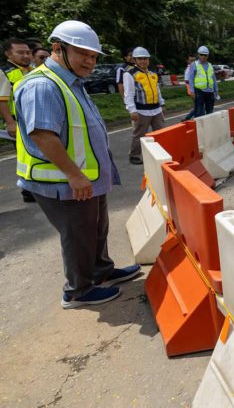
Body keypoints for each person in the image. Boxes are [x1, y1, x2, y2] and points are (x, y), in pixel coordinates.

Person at [14, 20, 140, 308]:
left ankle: (101, 272)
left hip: (86, 178)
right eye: (83, 53)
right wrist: (75, 176)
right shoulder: (42, 85)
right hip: (64, 182)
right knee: (78, 235)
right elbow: (43, 135)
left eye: (94, 56)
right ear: (58, 48)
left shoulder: (72, 82)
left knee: (96, 228)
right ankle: (77, 291)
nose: (90, 61)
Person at [1, 38, 36, 202]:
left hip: (35, 118)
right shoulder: (5, 72)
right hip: (19, 122)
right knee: (26, 156)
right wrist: (10, 122)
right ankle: (28, 191)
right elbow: (2, 100)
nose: (26, 56)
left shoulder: (32, 69)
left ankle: (36, 187)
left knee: (37, 154)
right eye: (20, 53)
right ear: (8, 54)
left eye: (28, 52)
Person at [123, 47, 166, 165]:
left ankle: (162, 153)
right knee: (139, 134)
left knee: (161, 132)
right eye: (140, 59)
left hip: (156, 109)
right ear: (134, 60)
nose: (143, 61)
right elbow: (129, 93)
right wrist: (132, 110)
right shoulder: (130, 73)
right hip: (141, 111)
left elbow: (157, 90)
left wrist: (162, 104)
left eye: (145, 59)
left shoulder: (152, 74)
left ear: (149, 60)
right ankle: (134, 155)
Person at [186, 46, 218, 117]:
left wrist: (216, 90)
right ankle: (198, 127)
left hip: (210, 92)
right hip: (199, 92)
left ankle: (208, 127)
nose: (203, 56)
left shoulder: (210, 65)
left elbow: (213, 78)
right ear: (198, 55)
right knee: (199, 113)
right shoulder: (194, 65)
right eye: (201, 54)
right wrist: (192, 91)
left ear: (207, 56)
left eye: (205, 55)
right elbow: (191, 79)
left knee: (210, 112)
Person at [180, 54, 197, 121]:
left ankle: (193, 119)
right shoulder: (188, 69)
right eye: (191, 60)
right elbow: (187, 81)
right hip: (192, 90)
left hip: (196, 90)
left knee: (198, 106)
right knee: (198, 106)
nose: (193, 62)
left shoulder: (195, 67)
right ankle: (187, 118)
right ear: (188, 61)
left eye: (194, 60)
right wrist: (191, 91)